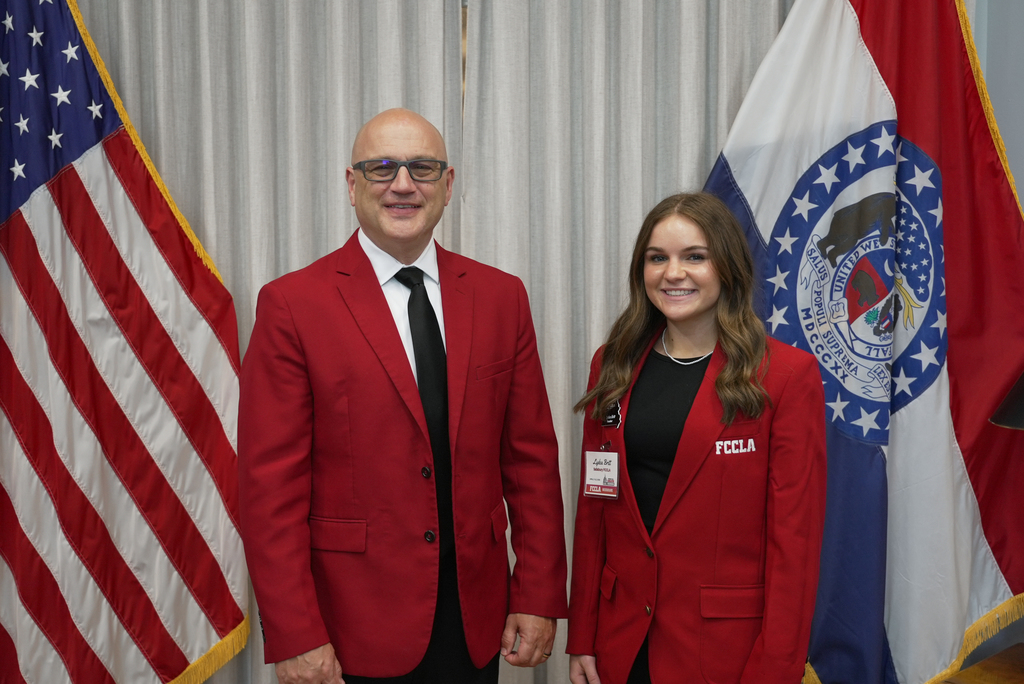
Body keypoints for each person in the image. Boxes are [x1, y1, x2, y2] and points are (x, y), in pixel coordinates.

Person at [238, 108, 568, 684]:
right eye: (381, 168)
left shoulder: (501, 297)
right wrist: (295, 632)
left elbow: (532, 461)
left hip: (474, 620)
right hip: (350, 628)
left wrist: (538, 591)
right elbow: (270, 491)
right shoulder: (293, 306)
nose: (402, 184)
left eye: (422, 167)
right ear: (351, 184)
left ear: (448, 184)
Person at [566, 192, 827, 684]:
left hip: (726, 652)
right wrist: (582, 636)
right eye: (657, 258)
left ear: (726, 267)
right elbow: (595, 511)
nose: (673, 273)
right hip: (621, 642)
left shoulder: (785, 376)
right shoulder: (613, 364)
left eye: (694, 257)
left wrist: (775, 670)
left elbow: (796, 544)